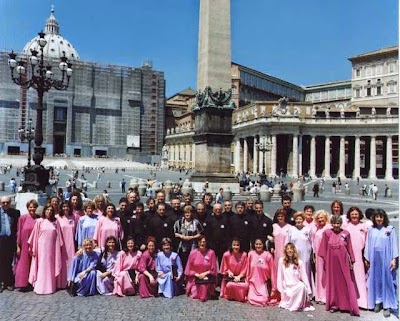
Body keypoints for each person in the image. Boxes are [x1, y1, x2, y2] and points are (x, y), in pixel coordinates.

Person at [318, 216, 359, 316]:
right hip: (331, 262)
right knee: (333, 283)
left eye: (338, 223)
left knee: (345, 282)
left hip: (343, 261)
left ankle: (347, 305)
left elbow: (349, 247)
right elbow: (323, 248)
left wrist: (352, 260)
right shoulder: (327, 233)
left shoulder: (346, 233)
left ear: (341, 224)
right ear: (331, 223)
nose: (336, 225)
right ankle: (334, 304)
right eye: (334, 223)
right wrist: (325, 262)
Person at [364, 209, 398, 318]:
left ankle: (387, 305)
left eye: (381, 217)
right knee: (376, 280)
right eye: (377, 217)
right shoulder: (371, 230)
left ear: (384, 218)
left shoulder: (390, 230)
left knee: (387, 280)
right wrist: (367, 258)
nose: (379, 219)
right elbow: (368, 244)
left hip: (386, 258)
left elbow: (394, 245)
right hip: (374, 259)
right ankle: (378, 301)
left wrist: (394, 259)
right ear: (374, 218)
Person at [28, 205, 64, 295]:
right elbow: (35, 235)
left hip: (52, 248)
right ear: (44, 211)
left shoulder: (55, 222)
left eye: (51, 210)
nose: (49, 211)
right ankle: (40, 287)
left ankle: (50, 287)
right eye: (47, 209)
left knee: (50, 266)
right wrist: (33, 248)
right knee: (41, 266)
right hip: (41, 248)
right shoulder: (39, 221)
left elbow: (59, 236)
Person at [343, 206, 368, 309]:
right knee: (349, 278)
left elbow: (367, 242)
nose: (354, 216)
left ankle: (361, 302)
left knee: (360, 277)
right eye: (352, 214)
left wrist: (366, 256)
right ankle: (349, 301)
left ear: (359, 215)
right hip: (348, 255)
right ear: (349, 215)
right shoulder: (346, 226)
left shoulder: (364, 226)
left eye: (356, 214)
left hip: (359, 256)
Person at [277, 243, 314, 312]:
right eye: (288, 249)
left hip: (296, 285)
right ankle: (290, 303)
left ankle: (297, 306)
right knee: (291, 291)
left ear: (294, 250)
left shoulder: (299, 262)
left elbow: (304, 277)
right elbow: (280, 276)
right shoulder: (281, 261)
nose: (289, 250)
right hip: (287, 287)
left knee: (302, 286)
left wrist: (309, 290)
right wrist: (280, 289)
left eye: (291, 249)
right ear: (285, 251)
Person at [14, 200, 39, 290]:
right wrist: (18, 246)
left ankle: (33, 282)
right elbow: (19, 232)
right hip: (24, 245)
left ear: (36, 208)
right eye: (30, 207)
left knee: (34, 263)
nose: (32, 209)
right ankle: (23, 283)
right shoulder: (22, 218)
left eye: (34, 207)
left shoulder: (38, 218)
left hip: (35, 245)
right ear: (27, 208)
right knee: (24, 264)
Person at [185, 236, 218, 302]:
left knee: (204, 289)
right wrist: (197, 275)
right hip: (195, 278)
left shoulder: (211, 253)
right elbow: (188, 269)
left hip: (207, 278)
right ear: (198, 243)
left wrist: (205, 274)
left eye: (204, 242)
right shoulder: (193, 253)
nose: (202, 243)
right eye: (200, 242)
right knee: (195, 294)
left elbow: (214, 269)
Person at [287, 212, 313, 292]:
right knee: (295, 272)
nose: (298, 220)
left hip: (305, 255)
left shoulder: (308, 230)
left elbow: (312, 243)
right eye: (297, 219)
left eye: (300, 219)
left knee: (305, 271)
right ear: (294, 220)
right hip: (294, 255)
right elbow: (287, 242)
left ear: (303, 220)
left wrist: (313, 254)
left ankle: (307, 291)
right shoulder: (291, 229)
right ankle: (295, 291)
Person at [247, 238, 276, 306]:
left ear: (263, 245)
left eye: (260, 244)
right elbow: (248, 269)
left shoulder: (268, 255)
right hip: (253, 284)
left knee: (264, 300)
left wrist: (273, 289)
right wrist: (247, 282)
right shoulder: (251, 254)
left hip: (263, 283)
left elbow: (273, 272)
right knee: (251, 298)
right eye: (256, 244)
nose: (258, 246)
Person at [56, 201, 78, 289]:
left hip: (71, 244)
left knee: (70, 262)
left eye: (67, 206)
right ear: (61, 208)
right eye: (64, 206)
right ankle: (60, 283)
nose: (65, 208)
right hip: (61, 243)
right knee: (61, 262)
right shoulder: (57, 217)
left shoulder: (74, 217)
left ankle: (69, 281)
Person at [0, 196, 20, 292]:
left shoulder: (15, 213)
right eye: (3, 202)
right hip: (0, 239)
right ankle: (1, 283)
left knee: (9, 262)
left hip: (10, 240)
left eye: (7, 202)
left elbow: (18, 227)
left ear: (10, 202)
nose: (5, 204)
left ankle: (9, 282)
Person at [174, 205, 203, 269]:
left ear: (191, 213)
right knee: (182, 263)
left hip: (193, 246)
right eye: (186, 212)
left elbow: (200, 234)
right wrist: (182, 236)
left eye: (189, 212)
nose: (187, 214)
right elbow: (175, 233)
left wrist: (191, 237)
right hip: (182, 246)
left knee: (192, 262)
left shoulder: (196, 222)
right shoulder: (179, 222)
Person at [312, 210, 330, 304]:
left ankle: (325, 296)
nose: (320, 220)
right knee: (318, 274)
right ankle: (319, 295)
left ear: (326, 218)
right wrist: (314, 254)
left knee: (326, 275)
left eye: (322, 217)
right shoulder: (317, 228)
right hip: (318, 255)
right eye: (318, 218)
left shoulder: (328, 228)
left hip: (326, 254)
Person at [272, 209, 291, 274]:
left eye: (282, 216)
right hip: (276, 251)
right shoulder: (273, 226)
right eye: (279, 216)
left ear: (285, 217)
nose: (280, 218)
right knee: (276, 268)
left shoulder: (289, 227)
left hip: (285, 251)